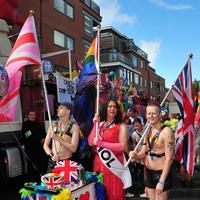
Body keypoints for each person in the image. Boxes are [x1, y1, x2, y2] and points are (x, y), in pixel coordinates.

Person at [129, 102, 175, 200]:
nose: (151, 116)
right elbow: (143, 153)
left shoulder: (167, 132)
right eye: (149, 113)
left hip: (161, 173)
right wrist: (135, 155)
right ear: (146, 115)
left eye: (154, 113)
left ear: (159, 114)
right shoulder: (147, 131)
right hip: (148, 172)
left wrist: (162, 181)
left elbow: (169, 158)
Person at [88, 98, 131, 200]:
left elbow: (122, 147)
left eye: (115, 107)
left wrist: (101, 143)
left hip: (113, 165)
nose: (112, 109)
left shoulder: (121, 126)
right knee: (100, 194)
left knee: (114, 194)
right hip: (99, 164)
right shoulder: (100, 124)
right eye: (110, 106)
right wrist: (95, 125)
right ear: (105, 109)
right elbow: (90, 142)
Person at [43, 102, 80, 172]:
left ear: (68, 111)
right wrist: (51, 155)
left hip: (66, 163)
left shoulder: (74, 127)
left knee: (66, 183)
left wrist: (58, 138)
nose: (58, 109)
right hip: (53, 161)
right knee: (52, 182)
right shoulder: (53, 125)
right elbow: (45, 145)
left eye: (61, 108)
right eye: (58, 108)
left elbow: (73, 148)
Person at [22, 110, 47, 182]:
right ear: (28, 116)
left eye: (34, 115)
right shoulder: (25, 125)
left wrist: (44, 138)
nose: (33, 116)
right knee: (31, 167)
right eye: (31, 115)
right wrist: (32, 130)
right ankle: (32, 182)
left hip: (39, 149)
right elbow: (26, 135)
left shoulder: (38, 124)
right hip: (30, 150)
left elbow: (43, 134)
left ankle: (39, 180)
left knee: (40, 166)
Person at [130, 117, 146, 197]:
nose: (136, 124)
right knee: (139, 168)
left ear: (141, 124)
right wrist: (135, 153)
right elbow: (134, 144)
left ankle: (145, 185)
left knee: (145, 168)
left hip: (146, 152)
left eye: (137, 123)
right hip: (139, 153)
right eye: (134, 124)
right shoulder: (133, 134)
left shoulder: (145, 131)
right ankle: (141, 184)